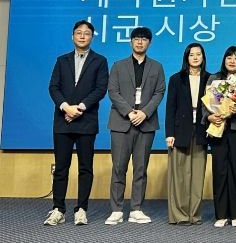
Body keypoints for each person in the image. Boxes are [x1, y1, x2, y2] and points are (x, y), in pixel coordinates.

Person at [44, 20, 109, 226]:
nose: (82, 36)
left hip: (86, 121)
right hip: (63, 120)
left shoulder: (100, 61)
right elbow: (53, 87)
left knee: (85, 167)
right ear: (72, 36)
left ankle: (81, 209)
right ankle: (58, 209)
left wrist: (79, 108)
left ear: (92, 37)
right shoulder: (61, 60)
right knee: (61, 167)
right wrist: (66, 107)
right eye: (79, 33)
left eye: (87, 33)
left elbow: (100, 89)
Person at [105, 26, 166, 225]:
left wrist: (144, 113)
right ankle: (116, 210)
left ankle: (136, 209)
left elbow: (159, 92)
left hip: (145, 124)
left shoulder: (156, 67)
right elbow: (113, 91)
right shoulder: (118, 65)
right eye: (136, 39)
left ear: (149, 43)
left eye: (144, 39)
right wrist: (129, 112)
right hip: (121, 122)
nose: (140, 42)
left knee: (141, 169)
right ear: (131, 42)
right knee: (118, 168)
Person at [204, 45, 236, 228]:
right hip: (218, 127)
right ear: (224, 60)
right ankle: (221, 214)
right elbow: (206, 103)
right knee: (220, 170)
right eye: (229, 57)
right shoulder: (214, 78)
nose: (232, 61)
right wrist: (209, 116)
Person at [165, 43, 210, 225]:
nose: (195, 57)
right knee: (179, 176)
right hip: (180, 131)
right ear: (186, 57)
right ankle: (180, 215)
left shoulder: (210, 79)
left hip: (201, 130)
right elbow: (170, 108)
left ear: (203, 57)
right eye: (192, 54)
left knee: (197, 175)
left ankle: (194, 214)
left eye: (198, 54)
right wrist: (169, 133)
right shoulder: (176, 79)